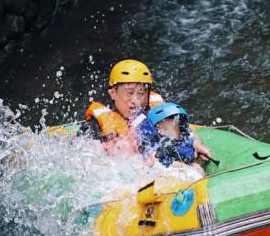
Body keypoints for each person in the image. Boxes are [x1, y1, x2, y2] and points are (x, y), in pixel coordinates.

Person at [82, 58, 211, 161]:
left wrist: (196, 144)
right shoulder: (96, 125)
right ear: (113, 93)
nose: (136, 100)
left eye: (141, 93)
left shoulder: (155, 113)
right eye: (129, 92)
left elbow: (185, 133)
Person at [138, 102, 203, 171]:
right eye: (161, 129)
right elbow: (154, 161)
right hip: (169, 172)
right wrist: (185, 166)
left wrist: (197, 142)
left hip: (187, 163)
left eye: (165, 129)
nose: (161, 132)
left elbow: (193, 134)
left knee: (198, 167)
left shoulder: (185, 135)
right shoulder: (157, 147)